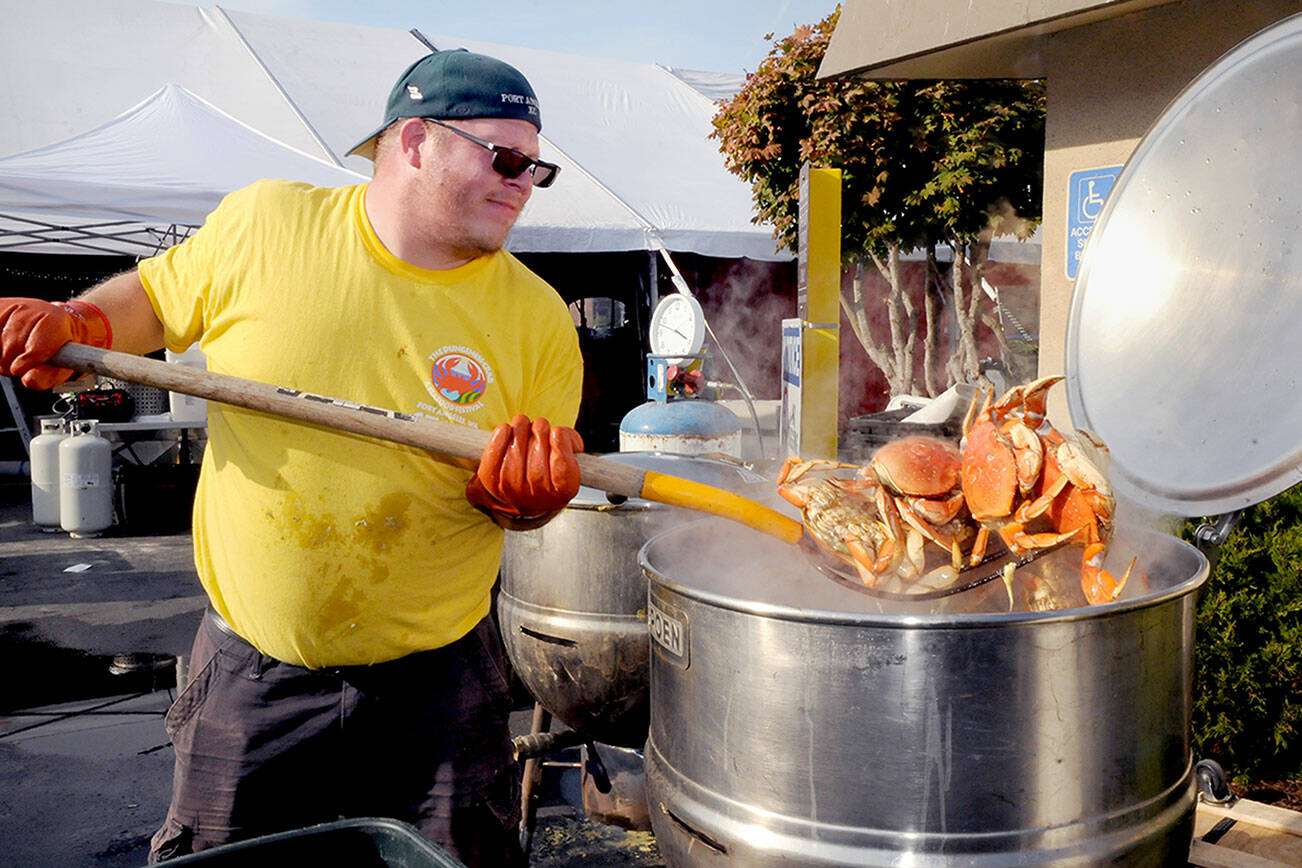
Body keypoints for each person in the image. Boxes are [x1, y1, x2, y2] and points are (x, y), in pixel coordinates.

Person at [0, 49, 584, 866]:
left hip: (440, 688)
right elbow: (152, 302)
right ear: (414, 140)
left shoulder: (538, 316)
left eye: (539, 168)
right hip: (252, 677)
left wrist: (529, 499)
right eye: (507, 157)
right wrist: (84, 325)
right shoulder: (268, 226)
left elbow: (517, 499)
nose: (524, 181)